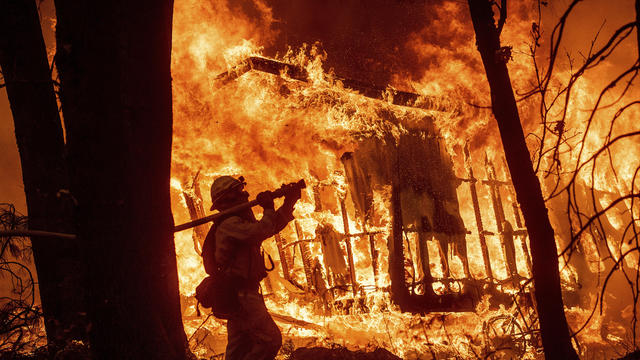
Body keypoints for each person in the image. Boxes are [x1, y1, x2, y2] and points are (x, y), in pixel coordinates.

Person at [202, 175, 300, 360]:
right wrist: (269, 207)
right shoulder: (230, 225)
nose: (246, 195)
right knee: (270, 340)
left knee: (239, 349)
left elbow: (269, 226)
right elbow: (261, 230)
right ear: (230, 198)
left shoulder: (237, 223)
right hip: (242, 295)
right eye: (240, 192)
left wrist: (289, 203)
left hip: (239, 294)